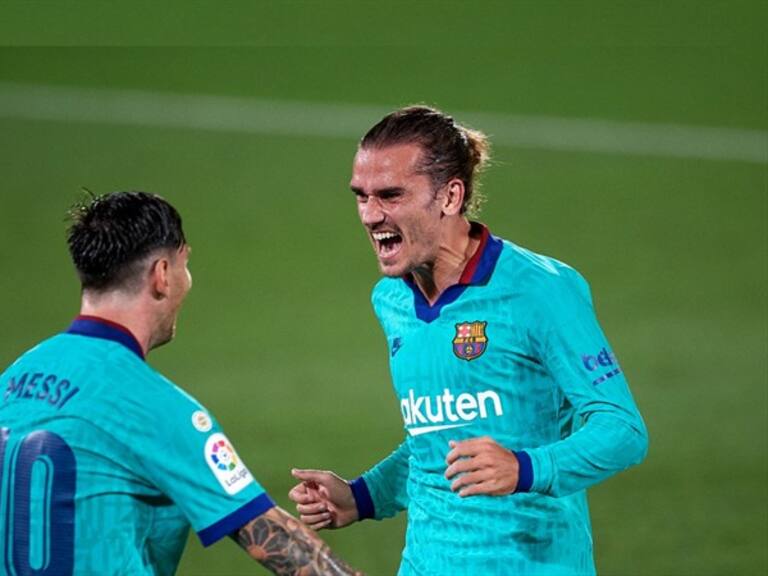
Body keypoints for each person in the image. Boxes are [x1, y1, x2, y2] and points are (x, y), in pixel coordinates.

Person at [289, 106, 649, 575]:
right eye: (361, 196)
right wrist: (364, 495)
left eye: (391, 195)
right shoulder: (392, 300)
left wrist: (524, 469)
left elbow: (623, 430)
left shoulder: (540, 290)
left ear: (450, 196)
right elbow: (435, 442)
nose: (371, 215)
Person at [0, 191, 360, 575]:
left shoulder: (13, 380)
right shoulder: (154, 406)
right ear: (161, 274)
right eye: (184, 265)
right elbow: (281, 545)